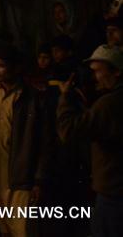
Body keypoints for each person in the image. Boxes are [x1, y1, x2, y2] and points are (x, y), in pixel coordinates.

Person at [0, 44, 51, 237]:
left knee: (23, 231)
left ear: (15, 68)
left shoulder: (32, 98)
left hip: (21, 180)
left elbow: (44, 142)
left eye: (0, 66)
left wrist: (39, 179)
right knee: (5, 230)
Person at [56, 45, 123, 237]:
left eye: (97, 71)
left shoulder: (109, 104)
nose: (93, 77)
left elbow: (68, 131)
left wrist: (65, 98)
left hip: (112, 196)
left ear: (117, 72)